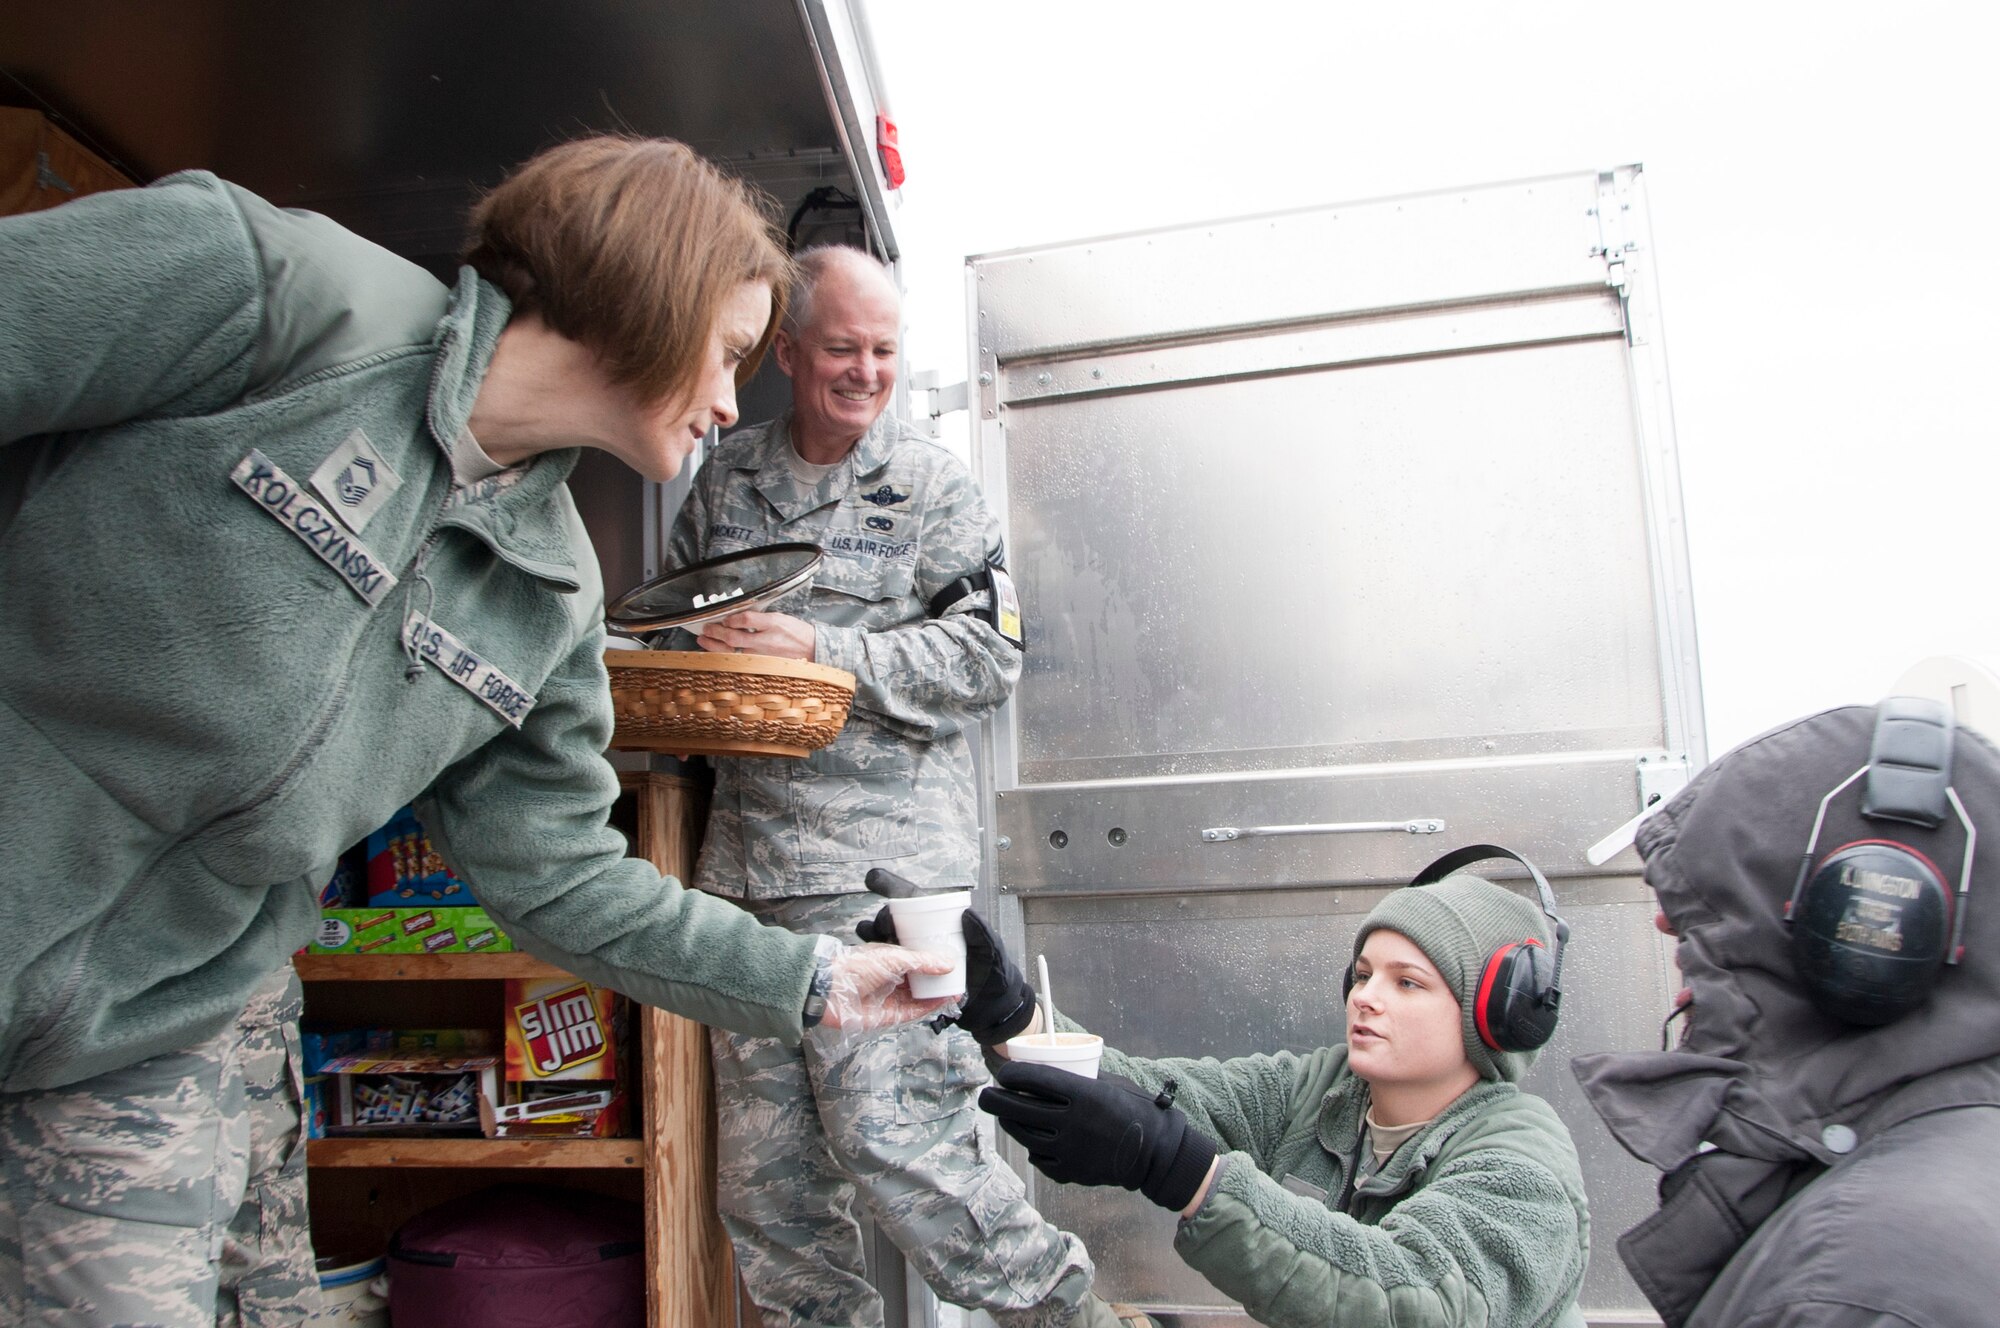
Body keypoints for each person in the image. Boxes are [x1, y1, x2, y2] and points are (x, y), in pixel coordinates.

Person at [0, 136, 952, 1327]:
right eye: (723, 354)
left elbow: (563, 881)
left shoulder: (549, 596)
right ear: (647, 289)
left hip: (143, 1030)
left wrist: (812, 975)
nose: (726, 401)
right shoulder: (274, 292)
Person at [662, 245, 1100, 1327]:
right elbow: (660, 621)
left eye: (885, 350)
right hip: (749, 885)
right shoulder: (727, 475)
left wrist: (822, 650)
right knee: (767, 1188)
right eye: (842, 347)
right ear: (786, 350)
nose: (866, 370)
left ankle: (1069, 1316)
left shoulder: (930, 485)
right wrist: (694, 642)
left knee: (907, 1147)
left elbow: (987, 657)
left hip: (884, 881)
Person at [942, 863, 1591, 1328]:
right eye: (1363, 974)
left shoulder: (1523, 1167)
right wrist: (1013, 1016)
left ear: (1498, 1015)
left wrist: (1185, 1171)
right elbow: (1164, 1098)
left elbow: (1412, 1300)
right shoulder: (1326, 1091)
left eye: (1407, 983)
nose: (1366, 997)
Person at [1573, 699, 2000, 1327]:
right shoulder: (1935, 1182)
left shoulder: (1857, 1284)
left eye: (1708, 924)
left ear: (1864, 949)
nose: (1668, 931)